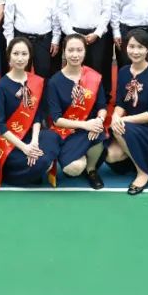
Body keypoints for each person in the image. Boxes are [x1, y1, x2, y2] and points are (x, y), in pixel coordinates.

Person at [107, 29, 148, 195]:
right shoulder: (123, 72)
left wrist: (123, 120)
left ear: (147, 49)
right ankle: (136, 157)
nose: (135, 51)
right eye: (132, 46)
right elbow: (121, 103)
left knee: (119, 129)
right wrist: (115, 116)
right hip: (132, 126)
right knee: (111, 156)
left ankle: (143, 173)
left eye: (140, 47)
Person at [0, 38, 60, 187]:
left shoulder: (36, 81)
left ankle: (34, 167)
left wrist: (34, 143)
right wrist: (24, 148)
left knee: (53, 136)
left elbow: (37, 116)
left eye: (24, 54)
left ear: (30, 56)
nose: (20, 58)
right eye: (16, 53)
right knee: (41, 161)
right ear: (9, 56)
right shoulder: (2, 85)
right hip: (10, 141)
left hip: (30, 136)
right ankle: (28, 170)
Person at [46, 34, 109, 188]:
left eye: (79, 50)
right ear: (64, 52)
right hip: (66, 132)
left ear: (85, 52)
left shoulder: (94, 77)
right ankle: (81, 158)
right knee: (73, 169)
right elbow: (56, 120)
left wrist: (99, 121)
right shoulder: (54, 82)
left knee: (97, 133)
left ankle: (91, 169)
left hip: (90, 130)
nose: (75, 55)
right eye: (71, 50)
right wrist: (85, 124)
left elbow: (102, 107)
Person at [58, 0, 113, 94]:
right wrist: (71, 34)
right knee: (74, 68)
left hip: (97, 36)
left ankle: (98, 99)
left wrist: (97, 33)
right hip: (74, 34)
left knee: (97, 68)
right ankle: (74, 98)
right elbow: (62, 12)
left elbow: (107, 12)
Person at [3, 0, 60, 78]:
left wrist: (55, 39)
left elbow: (55, 17)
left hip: (44, 40)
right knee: (20, 74)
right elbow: (8, 18)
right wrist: (10, 42)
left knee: (43, 74)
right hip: (21, 38)